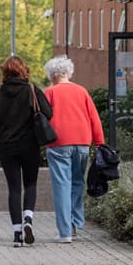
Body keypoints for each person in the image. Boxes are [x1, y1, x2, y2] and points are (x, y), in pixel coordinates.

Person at [0, 56, 53, 247]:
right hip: (30, 145)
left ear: (4, 72)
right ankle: (28, 220)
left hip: (6, 146)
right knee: (30, 184)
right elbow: (48, 113)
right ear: (24, 70)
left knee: (14, 188)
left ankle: (16, 234)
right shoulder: (32, 90)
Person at [43, 55, 104, 243]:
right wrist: (100, 143)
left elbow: (41, 119)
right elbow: (94, 117)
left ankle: (65, 232)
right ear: (68, 72)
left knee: (62, 186)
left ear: (52, 74)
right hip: (82, 143)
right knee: (77, 182)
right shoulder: (82, 91)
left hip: (59, 143)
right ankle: (75, 222)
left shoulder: (50, 93)